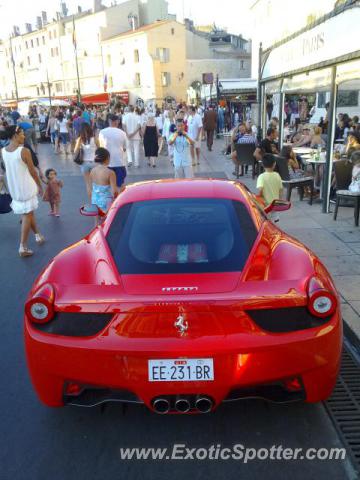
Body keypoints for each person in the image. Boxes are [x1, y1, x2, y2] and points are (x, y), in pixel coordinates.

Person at [1, 126, 44, 257]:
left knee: (29, 213)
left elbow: (6, 170)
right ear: (15, 136)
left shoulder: (2, 151)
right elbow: (32, 171)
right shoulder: (24, 151)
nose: (24, 136)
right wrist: (40, 185)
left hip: (15, 188)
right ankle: (23, 247)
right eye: (22, 134)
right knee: (27, 214)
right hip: (26, 187)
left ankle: (37, 235)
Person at [98, 114, 127, 191]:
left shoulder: (102, 132)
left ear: (109, 121)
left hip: (106, 163)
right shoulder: (122, 133)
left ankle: (111, 201)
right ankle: (120, 200)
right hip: (119, 162)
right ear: (117, 121)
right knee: (120, 185)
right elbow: (124, 148)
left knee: (107, 185)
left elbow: (101, 147)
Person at [90, 147, 118, 225]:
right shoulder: (110, 172)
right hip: (106, 201)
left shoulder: (93, 170)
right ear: (107, 158)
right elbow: (114, 191)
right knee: (106, 223)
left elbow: (93, 186)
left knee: (96, 223)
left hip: (95, 199)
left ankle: (96, 236)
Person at [74, 123, 99, 199]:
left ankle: (92, 201)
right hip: (94, 163)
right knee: (96, 183)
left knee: (88, 184)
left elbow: (75, 151)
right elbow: (100, 149)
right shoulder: (94, 139)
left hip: (84, 163)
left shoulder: (80, 140)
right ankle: (98, 200)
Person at [256, 154, 283, 221]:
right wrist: (280, 200)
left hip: (266, 205)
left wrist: (257, 200)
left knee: (266, 222)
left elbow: (260, 190)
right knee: (275, 222)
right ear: (274, 164)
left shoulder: (261, 177)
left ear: (262, 164)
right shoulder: (277, 175)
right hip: (275, 204)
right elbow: (281, 190)